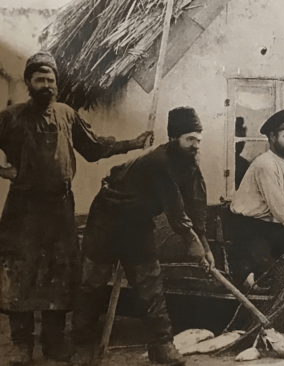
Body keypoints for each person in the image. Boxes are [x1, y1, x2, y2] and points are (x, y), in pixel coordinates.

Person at [0, 51, 152, 365]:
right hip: (22, 212)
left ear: (56, 84)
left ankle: (53, 344)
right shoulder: (11, 116)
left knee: (60, 275)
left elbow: (94, 148)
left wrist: (133, 143)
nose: (46, 85)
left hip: (59, 210)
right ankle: (21, 345)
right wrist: (2, 171)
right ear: (29, 82)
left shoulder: (67, 114)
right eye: (39, 79)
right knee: (21, 275)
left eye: (50, 80)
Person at [70, 107, 214, 365]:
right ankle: (82, 345)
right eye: (189, 139)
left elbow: (197, 205)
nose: (195, 145)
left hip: (137, 221)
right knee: (92, 282)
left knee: (151, 282)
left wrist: (205, 244)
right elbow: (176, 212)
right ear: (173, 139)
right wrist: (194, 246)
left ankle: (161, 346)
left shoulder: (190, 164)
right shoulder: (159, 161)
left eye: (198, 140)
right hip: (108, 216)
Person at [229, 110, 284, 288]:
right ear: (272, 137)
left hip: (266, 225)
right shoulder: (265, 164)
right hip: (247, 227)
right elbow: (279, 204)